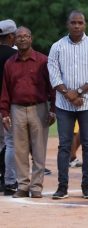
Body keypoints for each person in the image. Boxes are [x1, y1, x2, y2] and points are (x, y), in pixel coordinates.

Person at [48, 10, 88, 199]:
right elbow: (54, 76)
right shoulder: (57, 47)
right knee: (64, 146)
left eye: (80, 22)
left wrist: (78, 92)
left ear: (85, 24)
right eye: (73, 22)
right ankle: (62, 187)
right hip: (64, 105)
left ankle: (87, 186)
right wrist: (69, 95)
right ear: (67, 24)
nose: (77, 26)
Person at [0, 26, 56, 198]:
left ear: (31, 39)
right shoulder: (10, 64)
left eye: (26, 36)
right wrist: (4, 113)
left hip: (39, 108)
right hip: (16, 109)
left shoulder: (43, 61)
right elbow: (5, 90)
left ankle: (36, 187)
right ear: (14, 40)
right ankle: (23, 186)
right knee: (20, 150)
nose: (22, 39)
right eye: (19, 37)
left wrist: (53, 109)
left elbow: (52, 87)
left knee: (39, 150)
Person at [0, 19, 17, 195]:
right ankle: (9, 181)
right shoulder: (14, 56)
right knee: (10, 143)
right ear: (11, 36)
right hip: (7, 105)